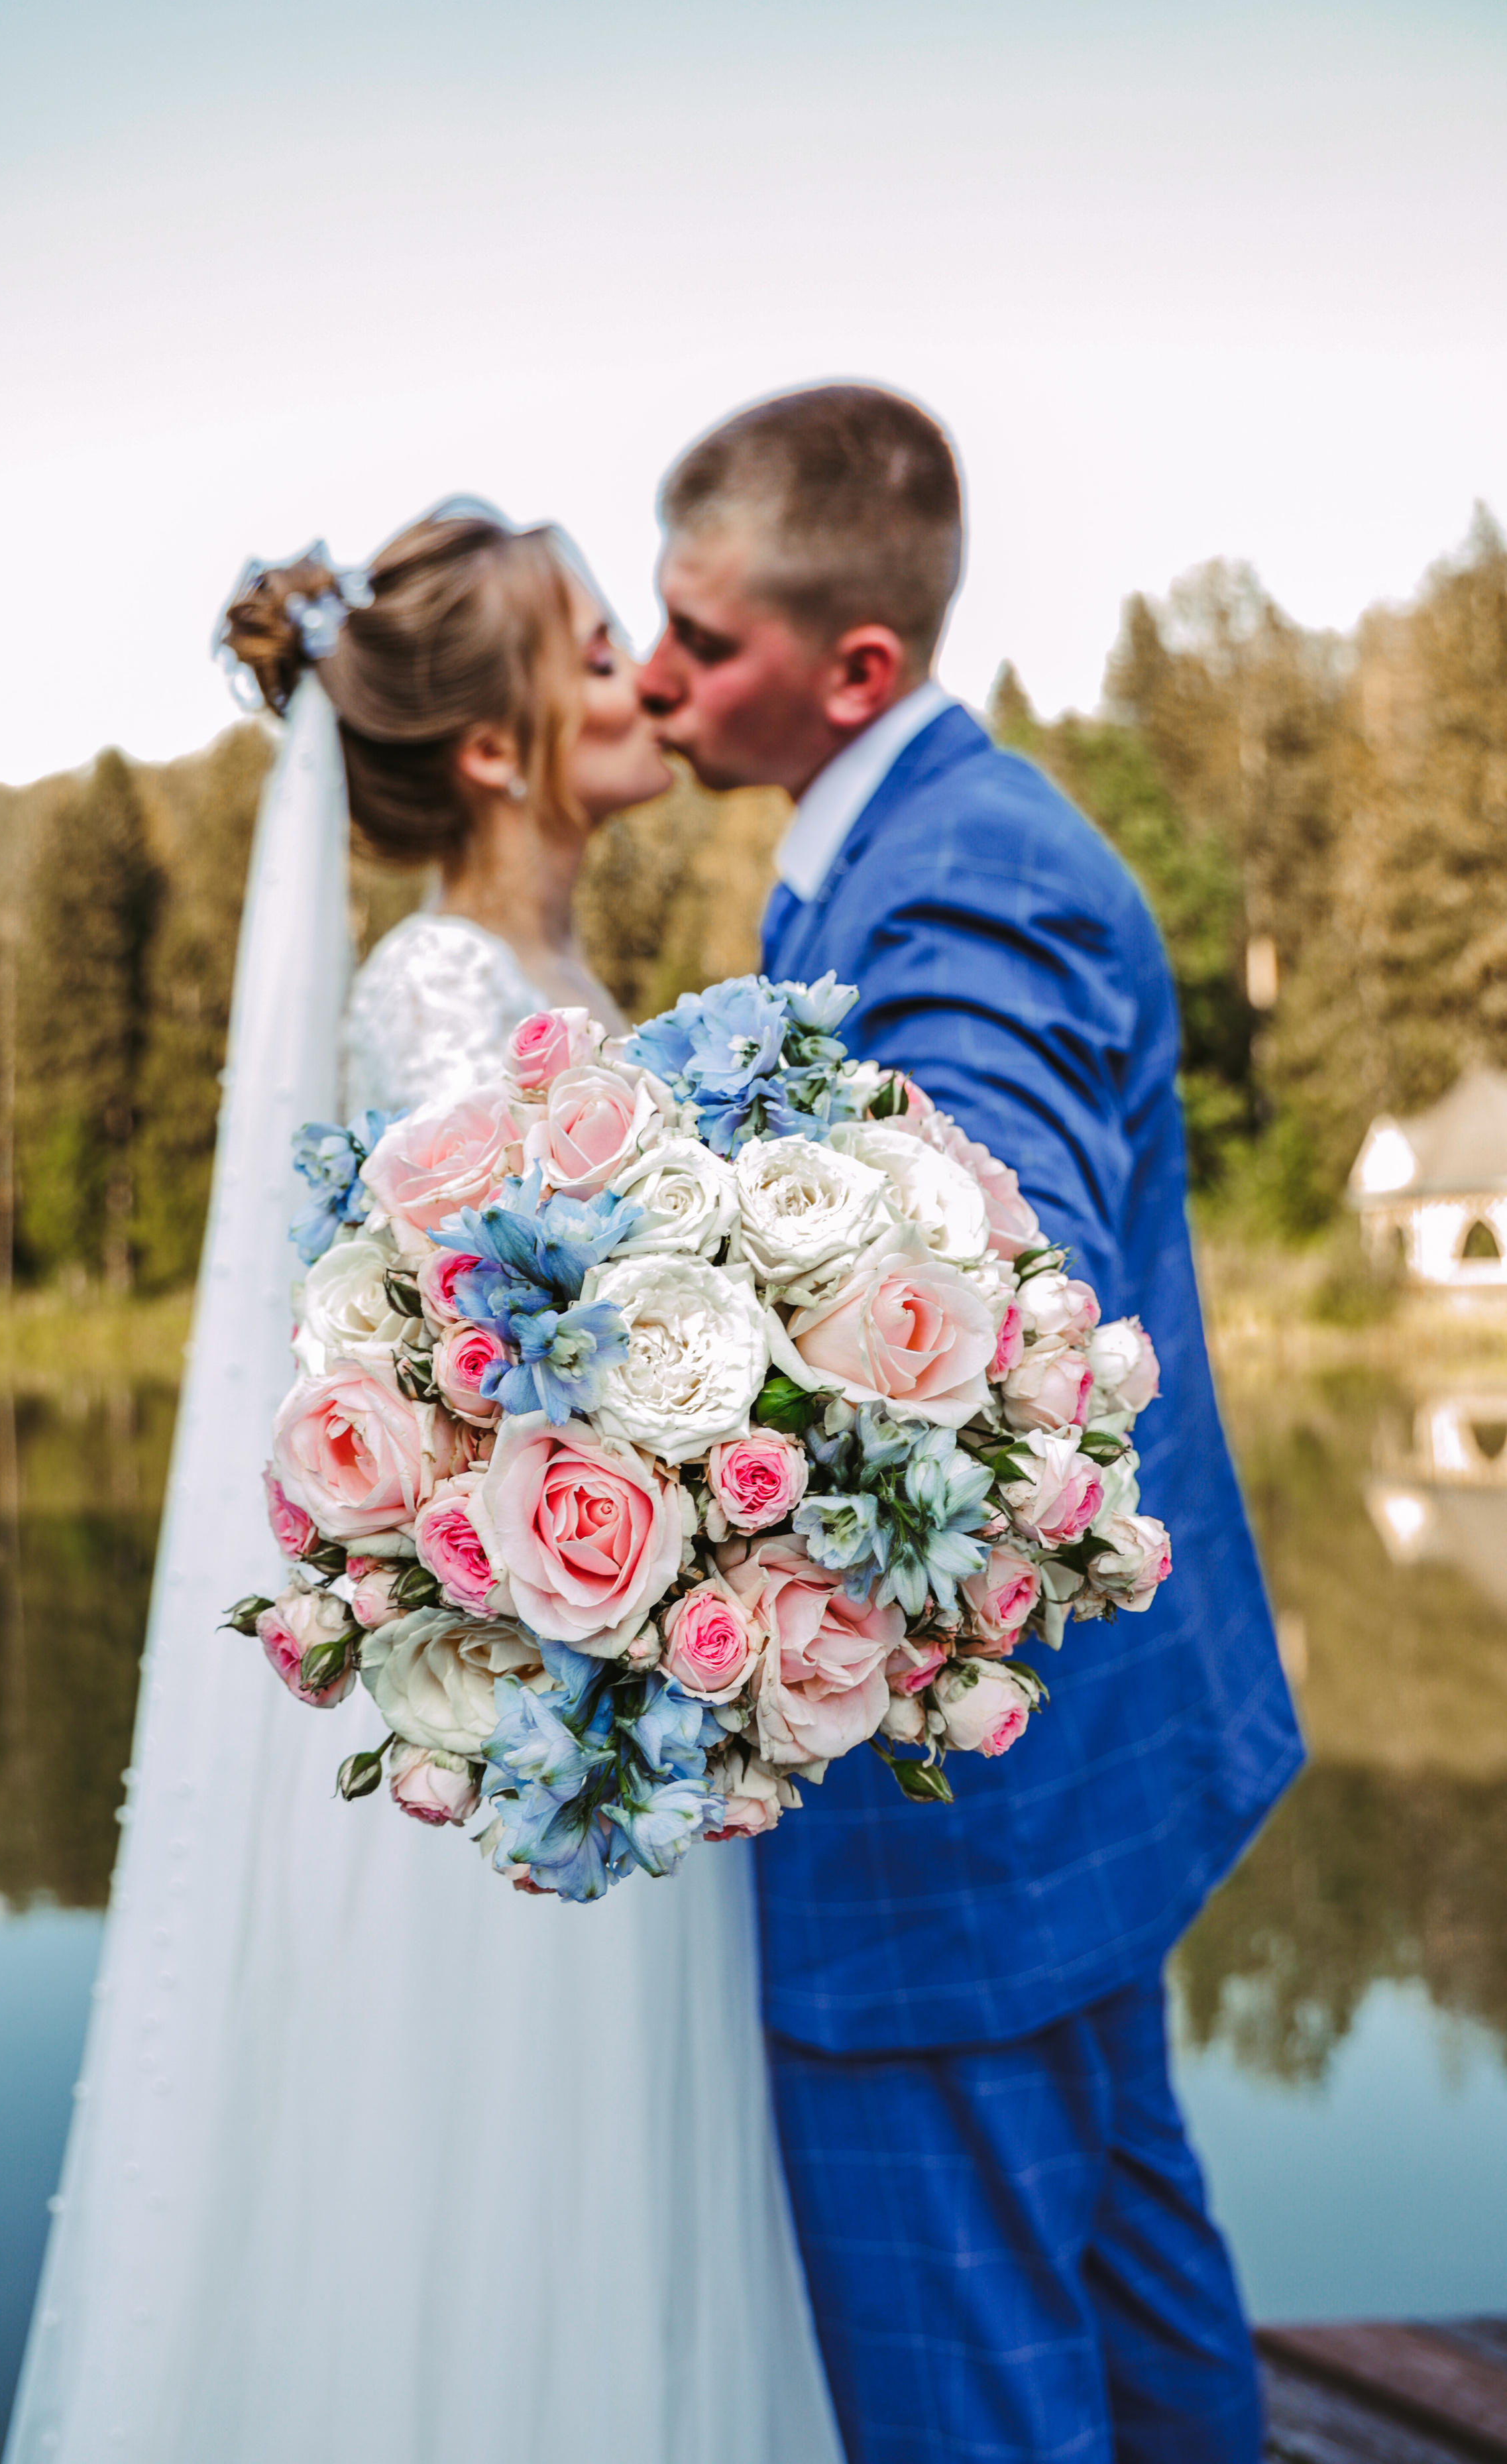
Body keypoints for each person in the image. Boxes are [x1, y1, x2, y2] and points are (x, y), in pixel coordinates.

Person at [5, 508, 842, 2464]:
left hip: (617, 1666)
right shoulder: (445, 987)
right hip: (532, 1689)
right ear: (492, 748)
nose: (646, 667)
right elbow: (519, 1383)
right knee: (496, 2202)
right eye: (602, 638)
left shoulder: (554, 959)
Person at [637, 385, 1305, 2464]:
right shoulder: (927, 839)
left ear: (853, 666)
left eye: (703, 640)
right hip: (1087, 1780)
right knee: (1130, 2296)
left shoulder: (959, 890)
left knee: (965, 2406)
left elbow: (979, 1279)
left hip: (958, 1821)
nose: (655, 679)